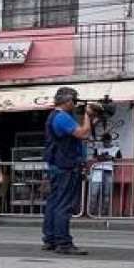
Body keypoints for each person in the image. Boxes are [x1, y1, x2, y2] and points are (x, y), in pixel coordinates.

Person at [43, 88, 92, 255]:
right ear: (68, 101)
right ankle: (63, 242)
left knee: (54, 203)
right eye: (75, 101)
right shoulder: (62, 117)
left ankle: (50, 239)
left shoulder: (54, 116)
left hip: (57, 165)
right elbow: (83, 133)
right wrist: (87, 116)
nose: (76, 104)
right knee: (64, 205)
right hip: (66, 166)